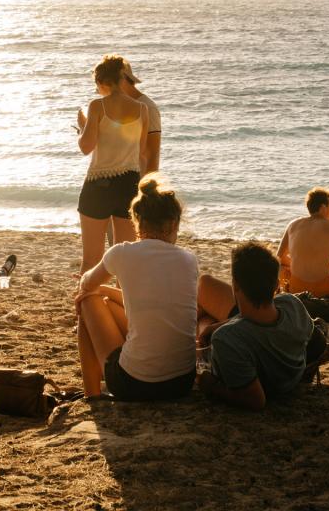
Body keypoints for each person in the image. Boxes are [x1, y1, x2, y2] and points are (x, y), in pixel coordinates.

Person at [76, 174, 197, 401]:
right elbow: (151, 300)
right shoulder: (189, 260)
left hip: (135, 384)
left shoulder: (122, 253)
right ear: (173, 224)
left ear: (136, 222)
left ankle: (91, 394)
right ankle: (93, 392)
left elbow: (86, 283)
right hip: (182, 383)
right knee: (100, 297)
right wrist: (104, 291)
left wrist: (95, 290)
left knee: (86, 299)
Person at [196, 242, 315, 411]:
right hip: (290, 375)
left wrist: (212, 386)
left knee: (204, 315)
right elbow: (307, 334)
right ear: (276, 286)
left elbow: (255, 400)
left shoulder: (227, 338)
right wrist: (218, 326)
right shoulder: (292, 304)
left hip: (262, 382)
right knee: (206, 322)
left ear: (235, 286)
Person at [76, 54, 148, 273]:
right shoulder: (141, 109)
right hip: (129, 184)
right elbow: (141, 152)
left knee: (91, 260)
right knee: (124, 259)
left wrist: (82, 128)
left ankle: (84, 306)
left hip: (99, 184)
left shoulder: (97, 106)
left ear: (101, 83)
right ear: (120, 79)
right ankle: (123, 306)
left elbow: (86, 147)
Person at [119, 60, 161, 174]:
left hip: (137, 180)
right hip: (117, 179)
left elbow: (153, 153)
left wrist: (148, 187)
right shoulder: (118, 106)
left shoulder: (148, 107)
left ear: (122, 79)